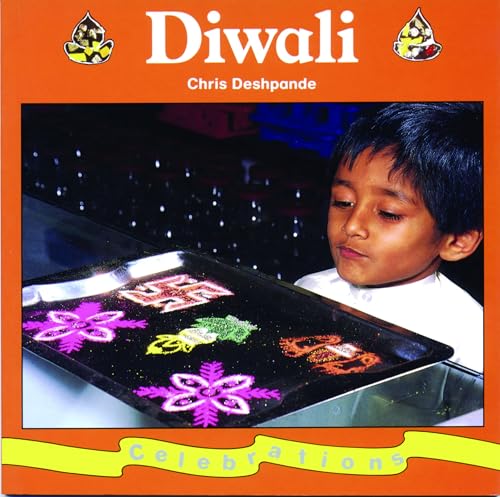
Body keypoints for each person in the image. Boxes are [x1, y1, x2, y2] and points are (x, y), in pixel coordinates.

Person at [295, 103, 484, 373]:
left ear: (457, 241)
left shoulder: (470, 337)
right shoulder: (311, 291)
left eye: (388, 213)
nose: (352, 226)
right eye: (343, 202)